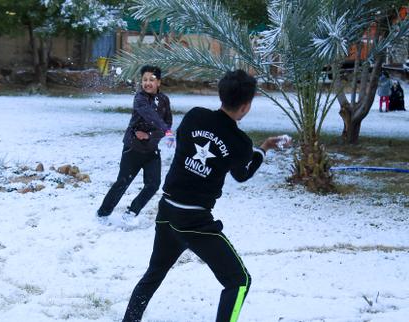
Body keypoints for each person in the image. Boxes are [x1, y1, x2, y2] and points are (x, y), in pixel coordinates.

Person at [122, 70, 289, 322]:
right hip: (194, 221)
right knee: (239, 281)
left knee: (154, 273)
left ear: (221, 94)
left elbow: (186, 144)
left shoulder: (195, 116)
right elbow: (242, 175)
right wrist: (263, 149)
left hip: (167, 209)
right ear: (246, 106)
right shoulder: (240, 142)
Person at [97, 65, 174, 224]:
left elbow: (168, 123)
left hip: (151, 149)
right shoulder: (140, 98)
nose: (147, 83)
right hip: (133, 148)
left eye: (151, 80)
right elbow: (150, 115)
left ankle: (131, 212)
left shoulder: (165, 100)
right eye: (144, 80)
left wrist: (151, 135)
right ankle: (103, 213)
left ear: (159, 82)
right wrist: (164, 130)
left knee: (153, 185)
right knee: (122, 182)